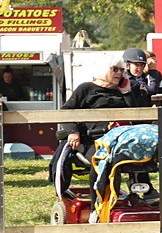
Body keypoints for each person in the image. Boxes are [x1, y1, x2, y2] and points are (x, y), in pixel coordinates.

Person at [49, 56, 137, 197]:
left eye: (121, 70)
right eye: (115, 69)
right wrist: (73, 131)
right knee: (104, 160)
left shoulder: (124, 91)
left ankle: (140, 193)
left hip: (120, 139)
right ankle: (97, 204)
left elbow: (137, 115)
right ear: (102, 69)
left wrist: (126, 92)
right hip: (92, 139)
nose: (119, 73)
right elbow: (66, 111)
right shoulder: (86, 88)